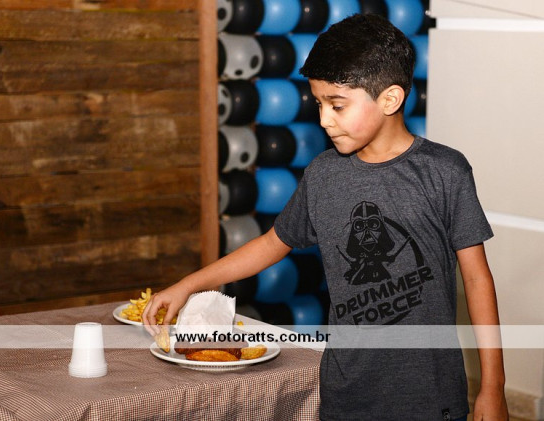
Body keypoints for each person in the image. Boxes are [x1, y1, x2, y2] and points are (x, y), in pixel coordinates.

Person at [143, 13, 508, 420]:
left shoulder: (445, 172)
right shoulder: (323, 175)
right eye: (319, 104)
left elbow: (477, 280)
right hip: (346, 397)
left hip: (430, 397)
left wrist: (492, 387)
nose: (323, 120)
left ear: (390, 99)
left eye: (337, 105)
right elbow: (270, 244)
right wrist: (188, 285)